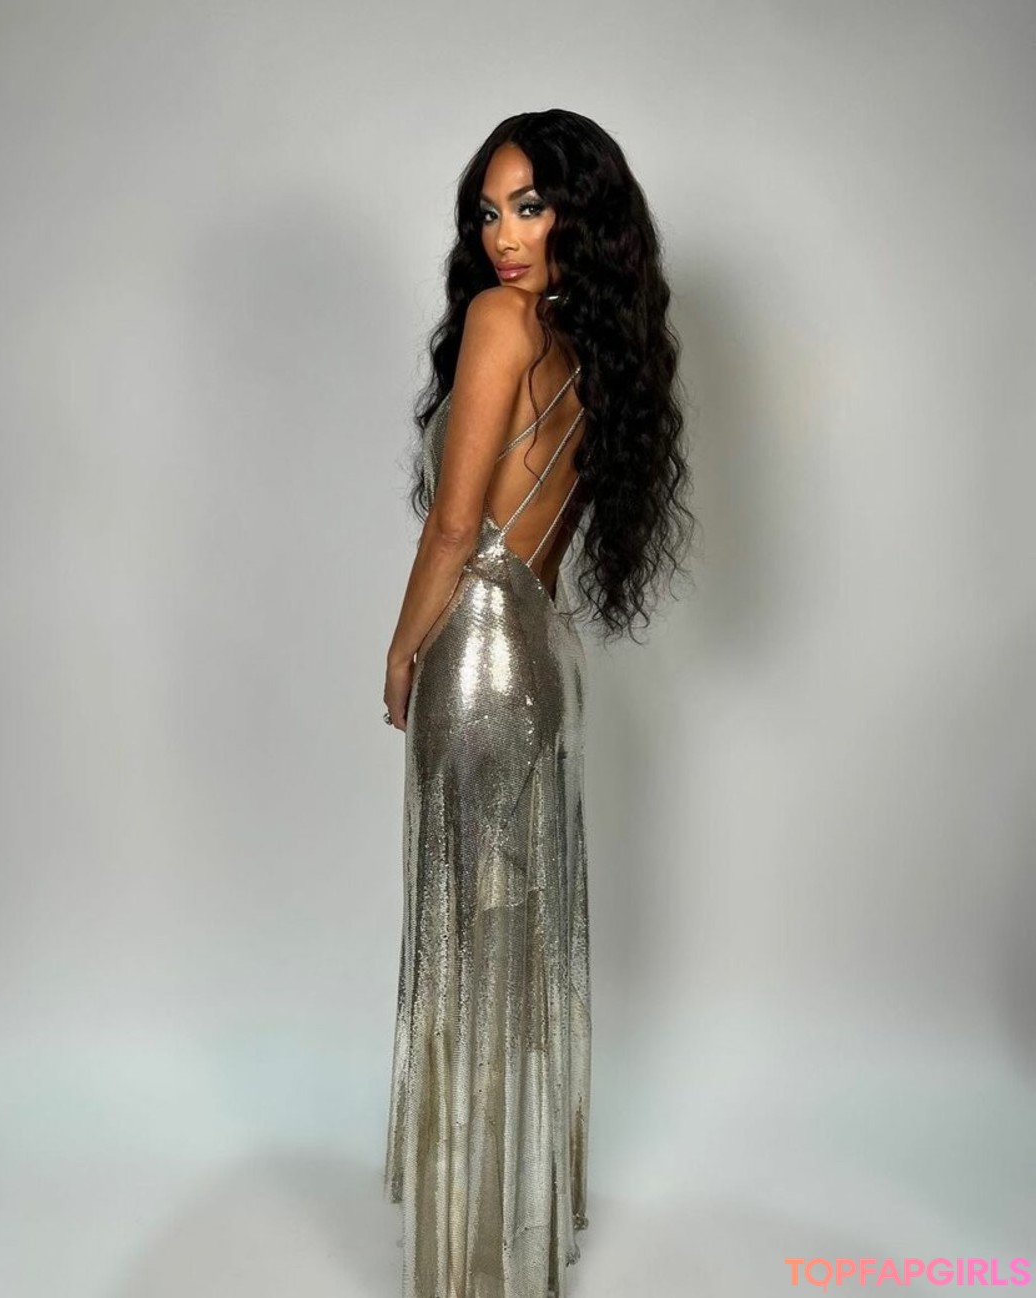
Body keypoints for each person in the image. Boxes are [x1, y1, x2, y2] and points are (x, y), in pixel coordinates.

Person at [381, 108, 694, 1298]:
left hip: (476, 650)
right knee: (518, 946)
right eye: (488, 211)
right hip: (544, 661)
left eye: (530, 205)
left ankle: (472, 1256)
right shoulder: (586, 350)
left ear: (579, 215)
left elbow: (456, 527)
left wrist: (401, 651)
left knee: (470, 943)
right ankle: (510, 1233)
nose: (504, 235)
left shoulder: (499, 323)